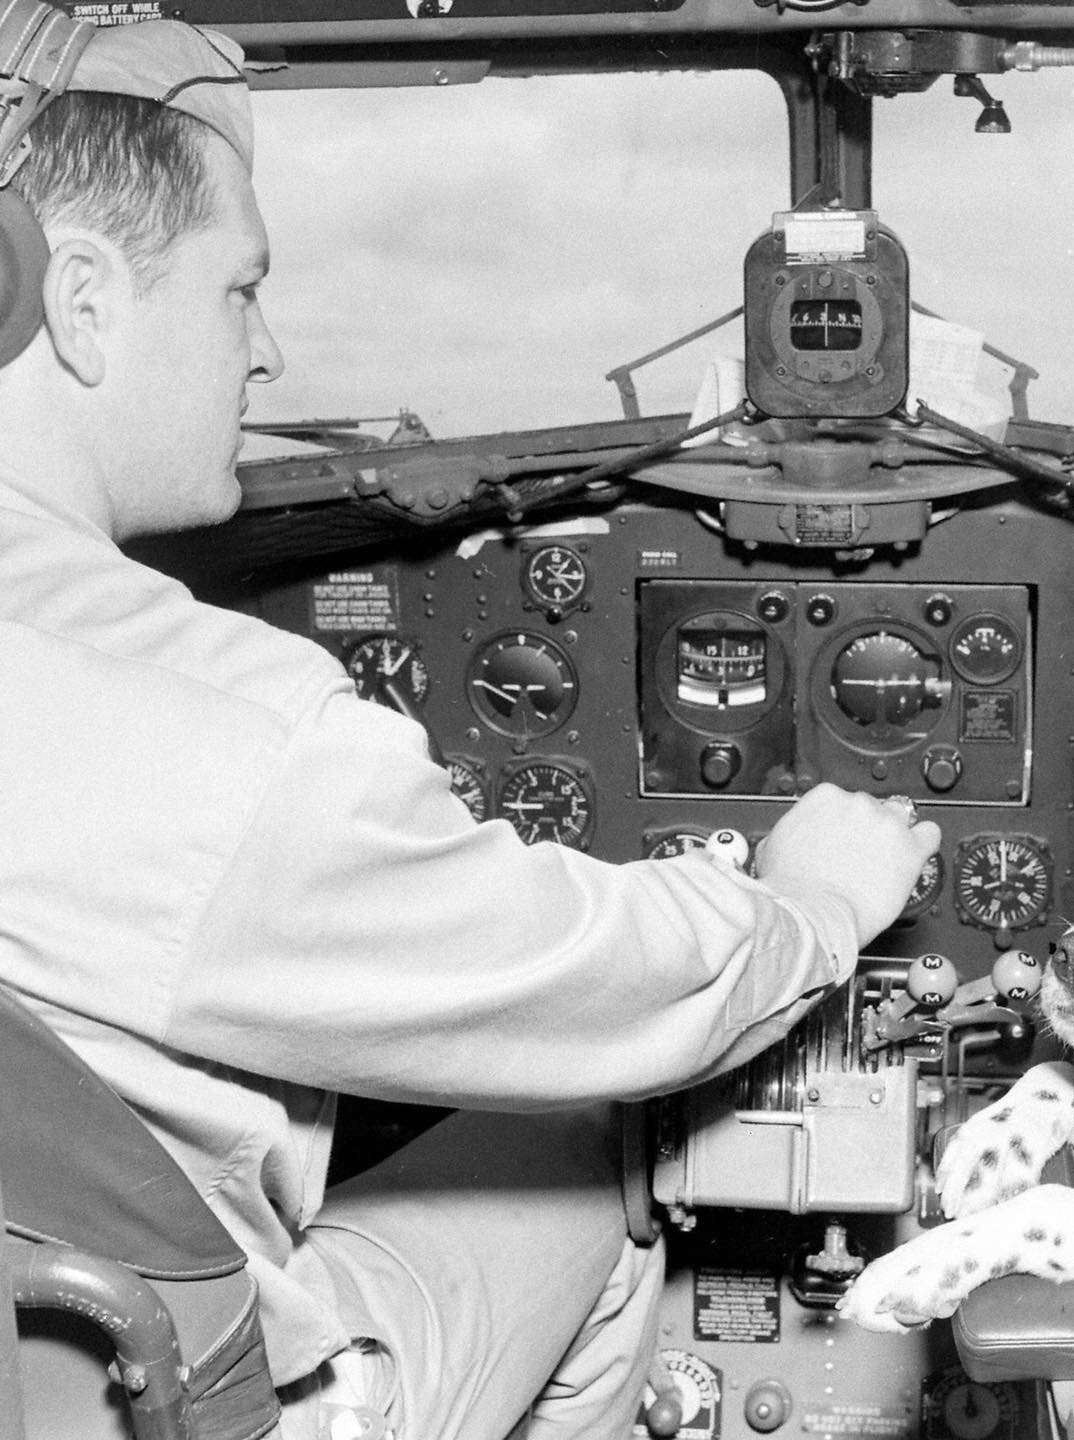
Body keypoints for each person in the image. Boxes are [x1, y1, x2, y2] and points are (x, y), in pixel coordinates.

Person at [0, 8, 941, 1439]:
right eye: (241, 288)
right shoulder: (232, 737)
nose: (268, 351)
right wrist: (810, 905)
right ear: (79, 302)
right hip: (177, 1403)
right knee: (591, 1148)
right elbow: (601, 987)